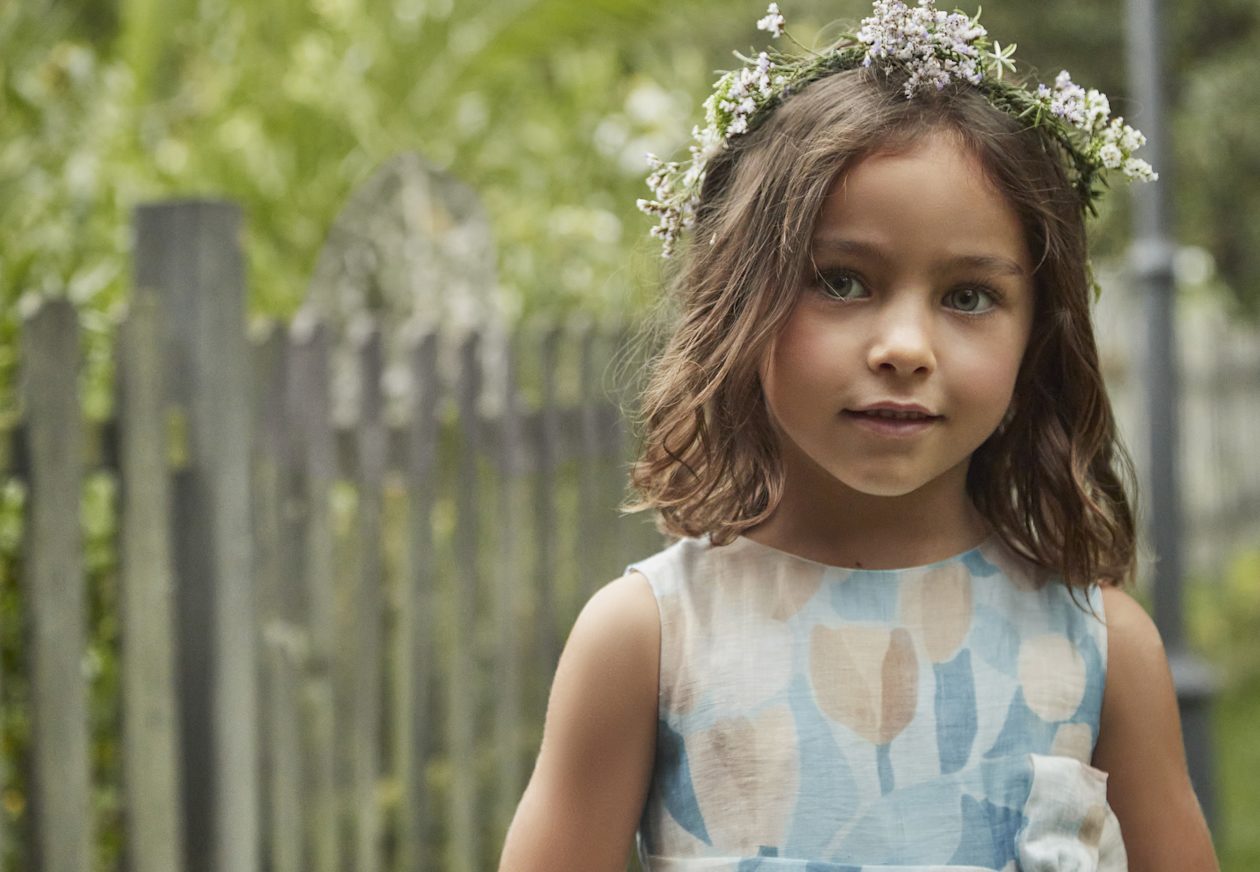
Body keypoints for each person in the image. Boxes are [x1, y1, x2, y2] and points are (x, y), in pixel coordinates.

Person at [499, 2, 1219, 869]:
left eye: (967, 297)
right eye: (841, 281)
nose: (906, 348)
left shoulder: (1100, 646)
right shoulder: (648, 639)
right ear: (742, 300)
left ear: (1037, 336)